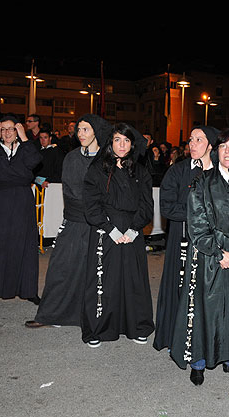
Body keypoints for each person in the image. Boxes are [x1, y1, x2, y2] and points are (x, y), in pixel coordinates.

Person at [170, 128, 229, 386]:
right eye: (223, 146)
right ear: (217, 150)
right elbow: (196, 219)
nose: (227, 151)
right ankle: (199, 362)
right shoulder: (204, 180)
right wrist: (216, 251)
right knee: (204, 306)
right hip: (208, 254)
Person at [25, 114, 111, 329]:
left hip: (101, 223)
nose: (80, 134)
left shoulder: (108, 159)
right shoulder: (72, 157)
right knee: (60, 268)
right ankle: (49, 314)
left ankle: (91, 316)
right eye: (79, 130)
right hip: (75, 221)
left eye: (85, 130)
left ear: (97, 132)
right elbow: (72, 192)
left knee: (95, 271)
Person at [82, 123, 154, 348]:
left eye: (126, 141)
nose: (122, 145)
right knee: (104, 280)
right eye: (117, 140)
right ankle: (96, 327)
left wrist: (133, 229)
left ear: (132, 144)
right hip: (105, 229)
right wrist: (110, 229)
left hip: (133, 230)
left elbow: (146, 204)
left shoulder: (141, 171)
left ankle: (136, 325)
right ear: (110, 143)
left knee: (133, 278)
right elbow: (91, 205)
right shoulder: (97, 170)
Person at [153, 126, 219, 352]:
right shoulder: (177, 171)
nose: (192, 144)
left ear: (210, 145)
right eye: (191, 140)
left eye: (199, 140)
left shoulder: (220, 173)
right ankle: (176, 337)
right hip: (181, 238)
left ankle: (206, 343)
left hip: (212, 242)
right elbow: (167, 207)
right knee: (180, 287)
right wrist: (200, 213)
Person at [0, 115, 43, 306]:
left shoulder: (25, 148)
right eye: (3, 129)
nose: (7, 132)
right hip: (1, 200)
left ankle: (28, 290)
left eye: (11, 128)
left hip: (22, 200)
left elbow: (34, 161)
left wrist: (25, 138)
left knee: (25, 244)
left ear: (18, 130)